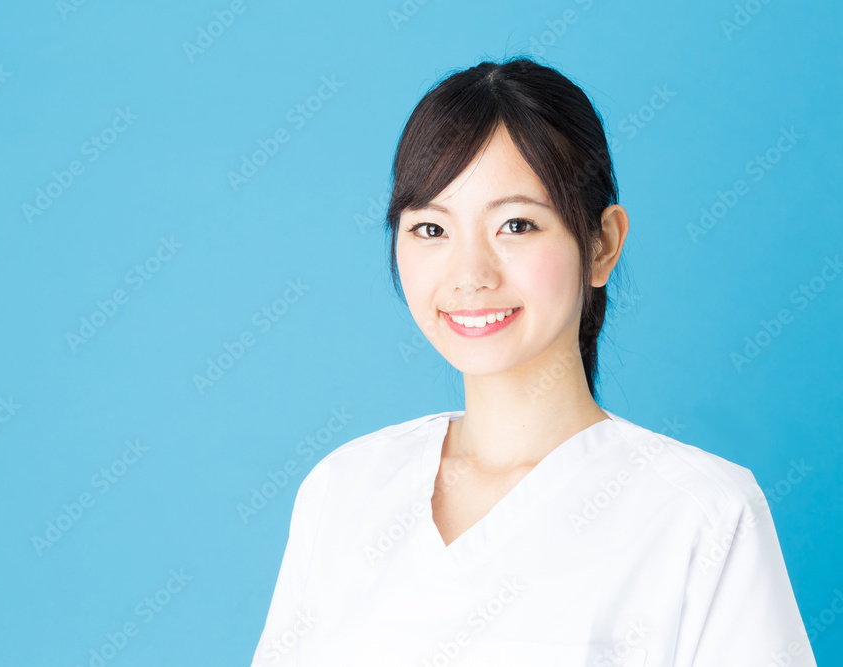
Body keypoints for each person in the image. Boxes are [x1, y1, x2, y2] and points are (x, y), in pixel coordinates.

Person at [250, 57, 816, 667]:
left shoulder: (701, 514)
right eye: (431, 230)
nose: (470, 275)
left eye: (516, 225)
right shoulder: (344, 491)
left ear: (602, 244)